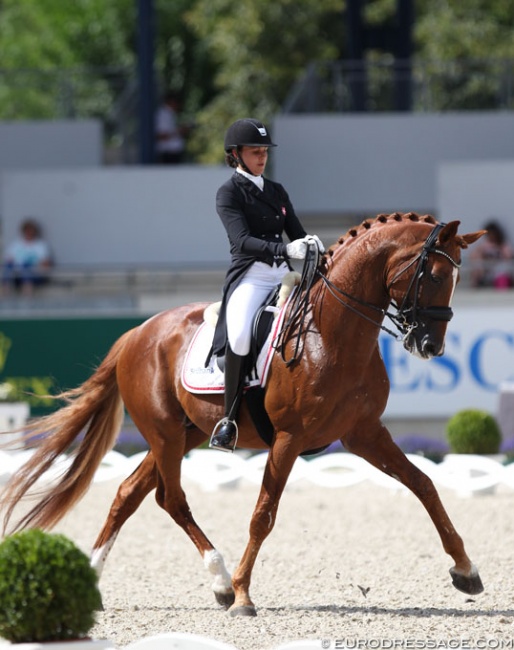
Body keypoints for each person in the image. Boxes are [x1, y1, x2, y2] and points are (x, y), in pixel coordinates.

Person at [208, 117, 325, 452]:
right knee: (242, 333)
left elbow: (297, 233)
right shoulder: (228, 192)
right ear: (236, 154)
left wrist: (311, 245)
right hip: (252, 276)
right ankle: (228, 421)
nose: (262, 157)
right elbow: (241, 240)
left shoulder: (276, 190)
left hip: (283, 273)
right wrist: (283, 249)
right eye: (255, 151)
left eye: (264, 151)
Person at [2, 218, 52, 295]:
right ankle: (5, 292)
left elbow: (45, 263)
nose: (29, 233)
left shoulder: (40, 246)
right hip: (16, 274)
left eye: (31, 230)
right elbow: (9, 260)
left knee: (27, 268)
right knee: (8, 269)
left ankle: (27, 295)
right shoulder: (16, 245)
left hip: (33, 275)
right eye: (27, 230)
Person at [470, 219, 513, 289]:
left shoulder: (503, 246)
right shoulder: (483, 246)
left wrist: (500, 249)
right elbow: (473, 256)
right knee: (477, 273)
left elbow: (509, 256)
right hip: (487, 274)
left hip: (500, 274)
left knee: (502, 279)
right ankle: (475, 288)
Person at [155, 91, 187, 164]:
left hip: (173, 154)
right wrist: (179, 131)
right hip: (168, 154)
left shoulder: (171, 114)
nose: (179, 105)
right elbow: (161, 136)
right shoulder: (163, 115)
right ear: (171, 101)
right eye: (177, 101)